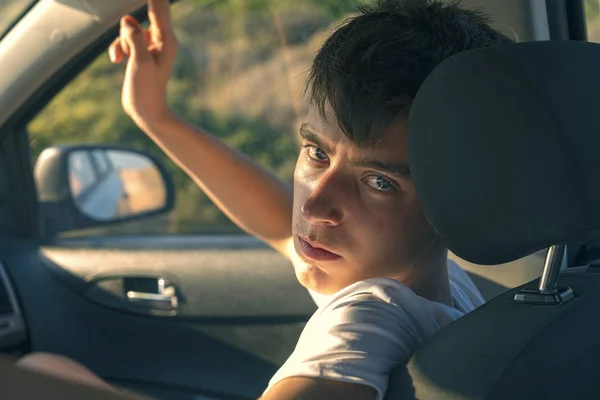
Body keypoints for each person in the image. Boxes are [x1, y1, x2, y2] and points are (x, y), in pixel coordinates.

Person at [18, 0, 512, 399]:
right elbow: (282, 223)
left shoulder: (368, 317)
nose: (315, 206)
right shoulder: (449, 290)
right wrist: (154, 115)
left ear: (456, 201)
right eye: (317, 152)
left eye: (379, 182)